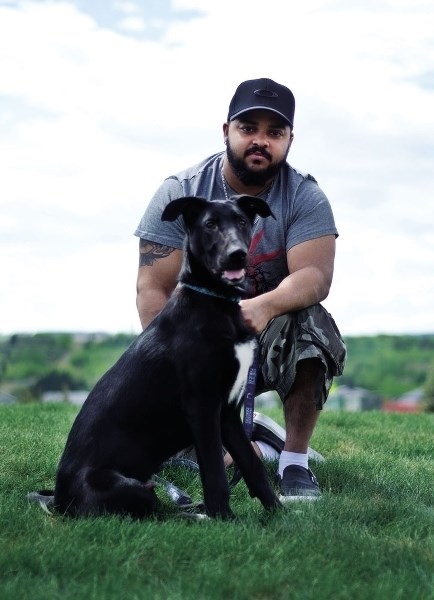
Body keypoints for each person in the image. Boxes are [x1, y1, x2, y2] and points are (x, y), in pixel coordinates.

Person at [134, 78, 346, 502]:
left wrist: (261, 306)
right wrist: (176, 368)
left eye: (275, 132)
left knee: (313, 324)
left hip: (263, 330)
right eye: (249, 127)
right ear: (227, 129)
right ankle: (240, 435)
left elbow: (315, 278)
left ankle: (294, 463)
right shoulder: (181, 190)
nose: (261, 141)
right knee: (206, 450)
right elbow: (153, 288)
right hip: (194, 337)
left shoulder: (304, 194)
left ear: (289, 139)